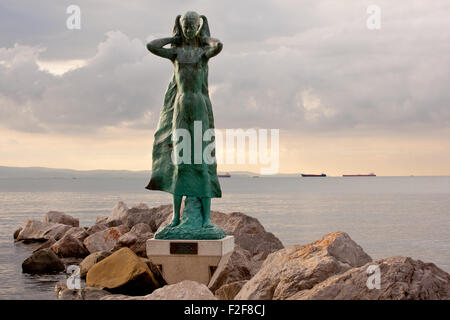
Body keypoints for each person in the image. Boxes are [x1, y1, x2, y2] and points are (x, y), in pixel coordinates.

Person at [145, 11, 222, 229]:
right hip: (179, 108)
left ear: (197, 26)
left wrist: (203, 35)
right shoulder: (176, 53)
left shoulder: (202, 52)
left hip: (198, 107)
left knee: (201, 163)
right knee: (179, 163)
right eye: (185, 26)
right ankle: (176, 217)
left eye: (192, 26)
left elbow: (219, 46)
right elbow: (152, 46)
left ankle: (206, 218)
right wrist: (174, 38)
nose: (188, 30)